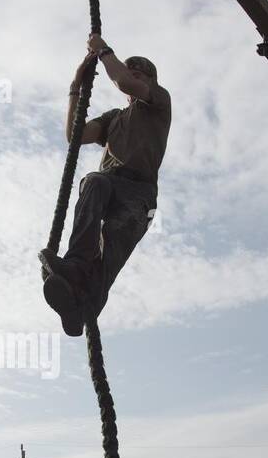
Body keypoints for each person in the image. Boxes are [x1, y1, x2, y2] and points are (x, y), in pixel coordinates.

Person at [40, 33, 171, 336]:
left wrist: (103, 52)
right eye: (131, 71)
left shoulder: (159, 100)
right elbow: (75, 136)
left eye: (139, 74)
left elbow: (124, 82)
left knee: (111, 247)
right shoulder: (115, 118)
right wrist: (76, 86)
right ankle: (75, 269)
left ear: (149, 81)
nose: (132, 76)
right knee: (94, 183)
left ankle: (83, 307)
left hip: (139, 194)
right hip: (110, 183)